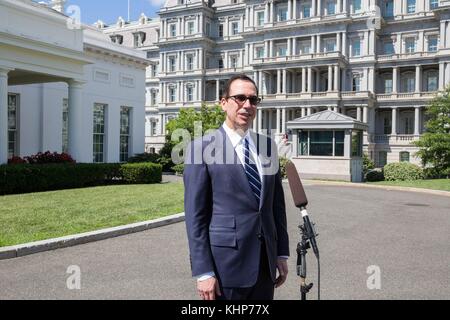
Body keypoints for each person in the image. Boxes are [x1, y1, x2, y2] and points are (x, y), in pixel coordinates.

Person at [184, 74, 290, 300]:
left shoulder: (267, 147)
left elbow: (276, 207)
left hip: (265, 265)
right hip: (225, 269)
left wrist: (281, 252)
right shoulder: (200, 149)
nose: (247, 105)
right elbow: (196, 217)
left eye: (253, 100)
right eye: (239, 98)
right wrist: (203, 271)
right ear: (224, 103)